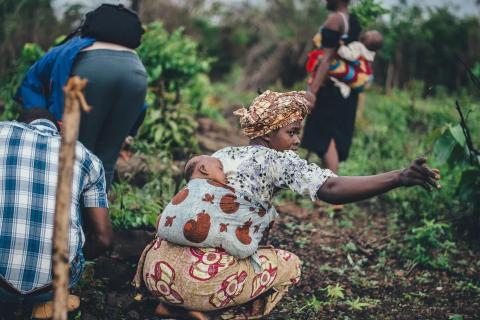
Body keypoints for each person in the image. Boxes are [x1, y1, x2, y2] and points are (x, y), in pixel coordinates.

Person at [134, 90, 440, 319]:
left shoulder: (224, 154)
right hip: (202, 283)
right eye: (291, 132)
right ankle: (216, 313)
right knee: (289, 264)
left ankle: (170, 307)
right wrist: (398, 177)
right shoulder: (277, 160)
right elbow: (331, 188)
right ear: (268, 133)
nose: (296, 141)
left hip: (157, 272)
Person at [15, 4, 148, 190]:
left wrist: (43, 122)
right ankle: (96, 216)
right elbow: (141, 106)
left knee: (77, 153)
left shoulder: (69, 47)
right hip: (136, 76)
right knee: (105, 162)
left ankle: (67, 213)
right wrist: (128, 130)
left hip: (91, 71)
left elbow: (30, 83)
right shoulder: (132, 56)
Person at [0, 108, 112, 318]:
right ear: (60, 128)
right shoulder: (88, 158)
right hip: (53, 284)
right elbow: (104, 238)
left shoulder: (3, 132)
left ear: (18, 123)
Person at [157, 155, 274, 260]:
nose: (226, 174)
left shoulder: (184, 192)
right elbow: (258, 214)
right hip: (208, 268)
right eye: (220, 169)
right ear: (203, 169)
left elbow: (161, 220)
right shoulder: (221, 192)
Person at [302, 0, 362, 183]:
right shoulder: (354, 21)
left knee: (325, 138)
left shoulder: (335, 19)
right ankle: (329, 190)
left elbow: (326, 59)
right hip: (347, 91)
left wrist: (312, 91)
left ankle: (333, 188)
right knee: (332, 137)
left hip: (330, 91)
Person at [307, 30, 383, 98]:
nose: (367, 32)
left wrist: (340, 46)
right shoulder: (370, 54)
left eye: (370, 33)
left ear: (368, 40)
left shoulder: (358, 47)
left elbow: (349, 56)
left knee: (331, 63)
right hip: (360, 78)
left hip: (355, 74)